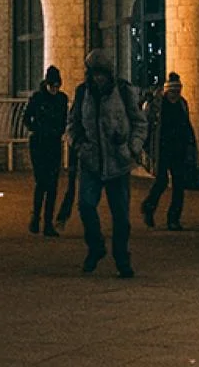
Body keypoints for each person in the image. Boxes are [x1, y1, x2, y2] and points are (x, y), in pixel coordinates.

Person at [66, 48, 148, 279]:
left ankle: (122, 258)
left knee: (121, 215)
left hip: (118, 162)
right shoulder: (83, 93)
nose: (98, 78)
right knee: (85, 205)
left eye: (101, 74)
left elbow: (139, 123)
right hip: (91, 160)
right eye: (94, 74)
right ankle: (96, 247)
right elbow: (72, 123)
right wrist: (79, 144)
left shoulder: (123, 91)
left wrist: (131, 147)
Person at [141, 72, 195, 231]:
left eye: (177, 92)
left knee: (179, 184)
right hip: (163, 148)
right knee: (162, 181)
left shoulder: (182, 104)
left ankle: (173, 219)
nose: (175, 95)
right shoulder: (158, 105)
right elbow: (148, 123)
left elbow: (186, 126)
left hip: (178, 149)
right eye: (172, 92)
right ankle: (149, 207)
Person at [24, 64, 68, 238]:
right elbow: (27, 118)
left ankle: (46, 222)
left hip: (53, 143)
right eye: (53, 86)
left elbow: (64, 120)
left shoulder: (61, 99)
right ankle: (37, 218)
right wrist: (38, 129)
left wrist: (57, 130)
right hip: (40, 143)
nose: (55, 90)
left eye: (57, 86)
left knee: (52, 185)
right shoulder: (37, 98)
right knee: (42, 182)